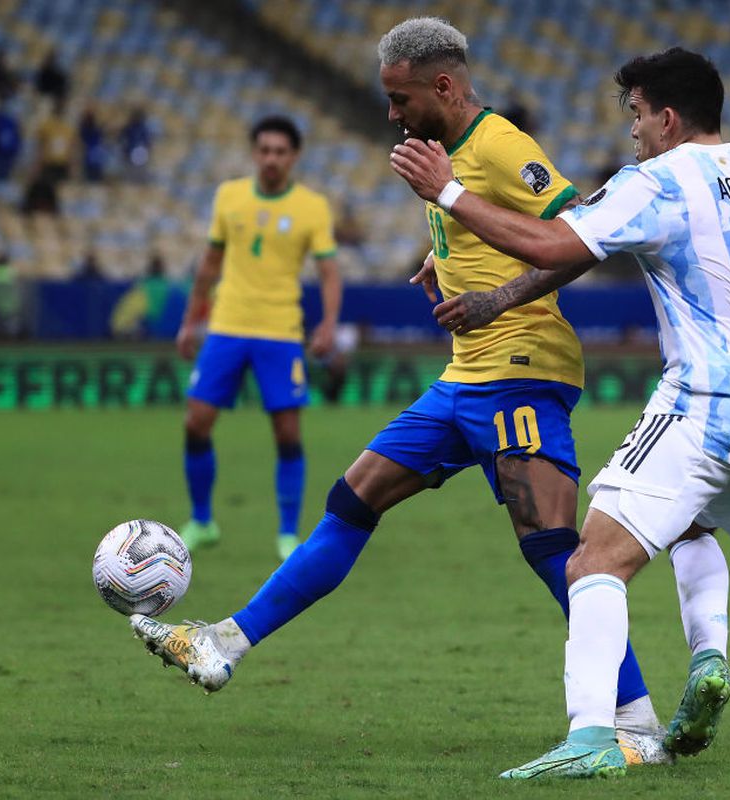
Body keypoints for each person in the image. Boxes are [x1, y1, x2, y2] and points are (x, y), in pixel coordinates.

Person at [131, 18, 672, 768]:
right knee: (354, 498)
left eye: (400, 98)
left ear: (443, 87)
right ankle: (223, 642)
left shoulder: (500, 146)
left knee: (555, 549)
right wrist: (441, 256)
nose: (392, 113)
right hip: (466, 377)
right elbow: (481, 224)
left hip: (521, 366)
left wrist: (497, 298)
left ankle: (637, 720)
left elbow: (580, 235)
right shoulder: (443, 152)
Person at [390, 46, 730, 779]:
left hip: (709, 401)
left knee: (593, 557)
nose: (631, 132)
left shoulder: (656, 181)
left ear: (665, 117)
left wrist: (451, 194)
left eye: (634, 116)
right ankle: (709, 660)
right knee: (692, 524)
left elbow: (557, 242)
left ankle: (593, 737)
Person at [172, 115, 342, 561]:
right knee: (196, 422)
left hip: (280, 331)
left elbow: (328, 272)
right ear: (254, 153)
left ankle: (287, 532)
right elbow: (209, 265)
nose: (271, 159)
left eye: (280, 152)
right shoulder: (228, 196)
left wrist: (327, 324)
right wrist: (191, 321)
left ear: (294, 157)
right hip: (226, 325)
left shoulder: (312, 207)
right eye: (264, 150)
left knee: (287, 432)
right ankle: (202, 521)